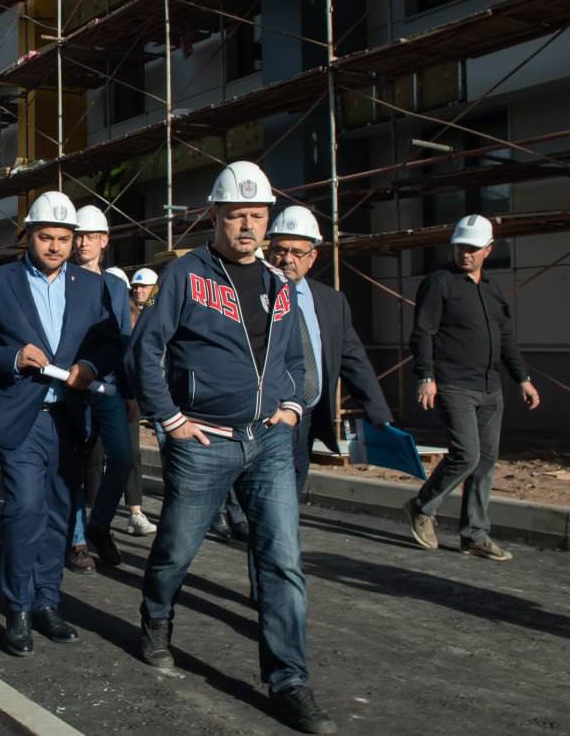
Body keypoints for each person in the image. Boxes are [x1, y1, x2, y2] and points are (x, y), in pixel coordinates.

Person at [127, 161, 336, 734]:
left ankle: (289, 679)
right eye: (237, 215)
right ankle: (157, 617)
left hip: (268, 441)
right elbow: (145, 351)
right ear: (214, 215)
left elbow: (295, 357)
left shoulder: (278, 283)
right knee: (176, 548)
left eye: (258, 216)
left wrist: (293, 405)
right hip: (203, 442)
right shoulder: (184, 275)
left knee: (282, 560)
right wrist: (171, 420)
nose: (248, 226)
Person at [0, 190, 119, 657]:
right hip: (21, 416)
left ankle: (47, 602)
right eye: (46, 237)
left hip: (69, 415)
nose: (55, 246)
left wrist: (89, 366)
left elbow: (110, 341)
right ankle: (18, 608)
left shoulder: (91, 286)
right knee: (25, 508)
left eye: (63, 239)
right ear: (28, 235)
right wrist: (12, 357)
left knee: (59, 511)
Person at [406, 214, 540, 561]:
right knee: (466, 454)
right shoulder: (440, 283)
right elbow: (423, 332)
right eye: (460, 247)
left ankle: (475, 535)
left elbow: (506, 338)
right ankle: (422, 505)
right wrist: (426, 377)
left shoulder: (493, 289)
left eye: (472, 248)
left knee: (486, 461)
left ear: (488, 250)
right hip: (453, 384)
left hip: (490, 388)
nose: (465, 253)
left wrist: (523, 379)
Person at [267, 206, 393, 497]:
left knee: (291, 493)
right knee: (260, 494)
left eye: (297, 252)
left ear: (312, 258)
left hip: (307, 417)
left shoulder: (332, 302)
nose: (287, 259)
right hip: (266, 416)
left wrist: (377, 412)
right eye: (280, 250)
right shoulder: (251, 294)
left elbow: (353, 358)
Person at [64, 207, 147, 573]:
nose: (84, 242)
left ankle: (99, 523)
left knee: (123, 457)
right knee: (76, 464)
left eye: (91, 236)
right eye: (79, 236)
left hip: (109, 386)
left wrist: (128, 392)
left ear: (104, 241)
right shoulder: (63, 279)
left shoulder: (115, 286)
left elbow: (124, 341)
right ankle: (77, 540)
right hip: (72, 384)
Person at [122, 267, 159, 537]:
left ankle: (135, 511)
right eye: (135, 287)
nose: (139, 291)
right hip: (122, 393)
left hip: (155, 396)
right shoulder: (127, 313)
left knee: (132, 454)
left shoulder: (162, 313)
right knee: (98, 456)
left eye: (144, 286)